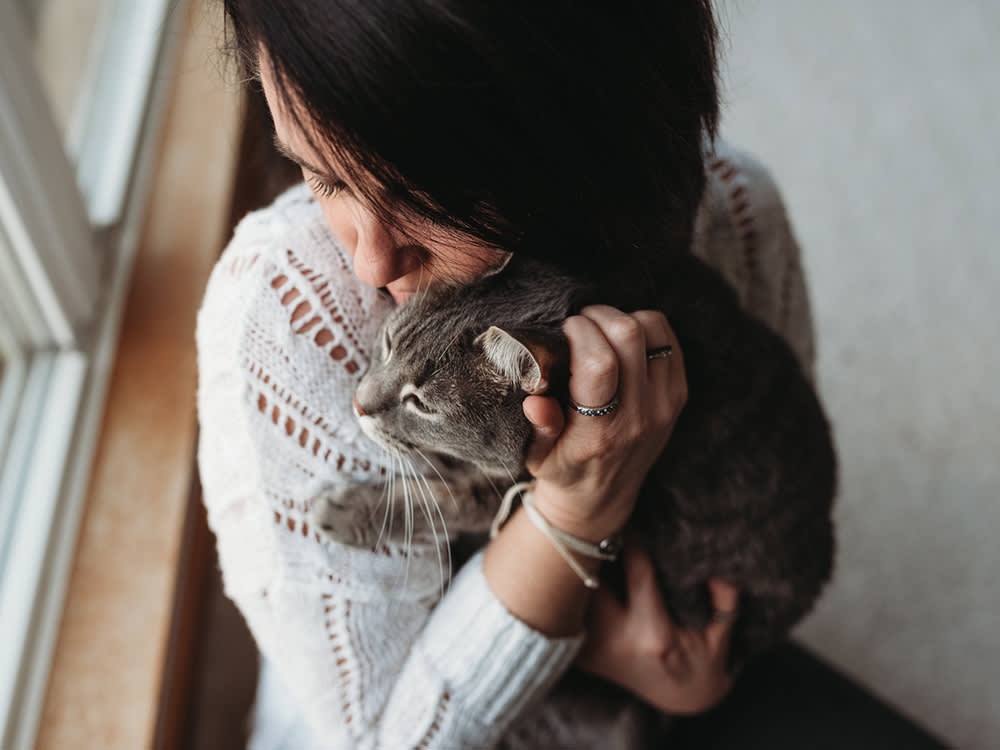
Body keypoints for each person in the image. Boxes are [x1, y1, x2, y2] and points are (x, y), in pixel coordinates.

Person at [196, 2, 945, 748]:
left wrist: (693, 681)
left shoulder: (734, 216)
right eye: (323, 177)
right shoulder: (286, 318)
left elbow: (777, 476)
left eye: (431, 199)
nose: (372, 261)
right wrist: (576, 514)